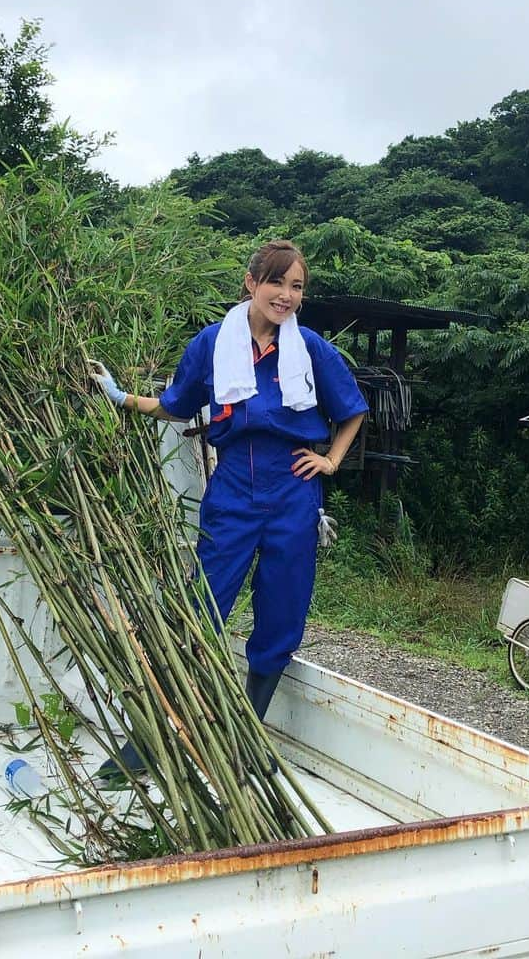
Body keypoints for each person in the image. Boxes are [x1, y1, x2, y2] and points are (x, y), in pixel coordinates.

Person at [90, 240, 367, 772]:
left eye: (297, 287)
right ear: (251, 283)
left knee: (283, 609)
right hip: (235, 482)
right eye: (277, 283)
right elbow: (175, 405)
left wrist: (330, 460)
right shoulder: (212, 344)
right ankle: (152, 741)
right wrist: (120, 396)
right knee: (202, 605)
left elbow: (351, 409)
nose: (286, 296)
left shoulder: (309, 348)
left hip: (293, 486)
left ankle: (246, 732)